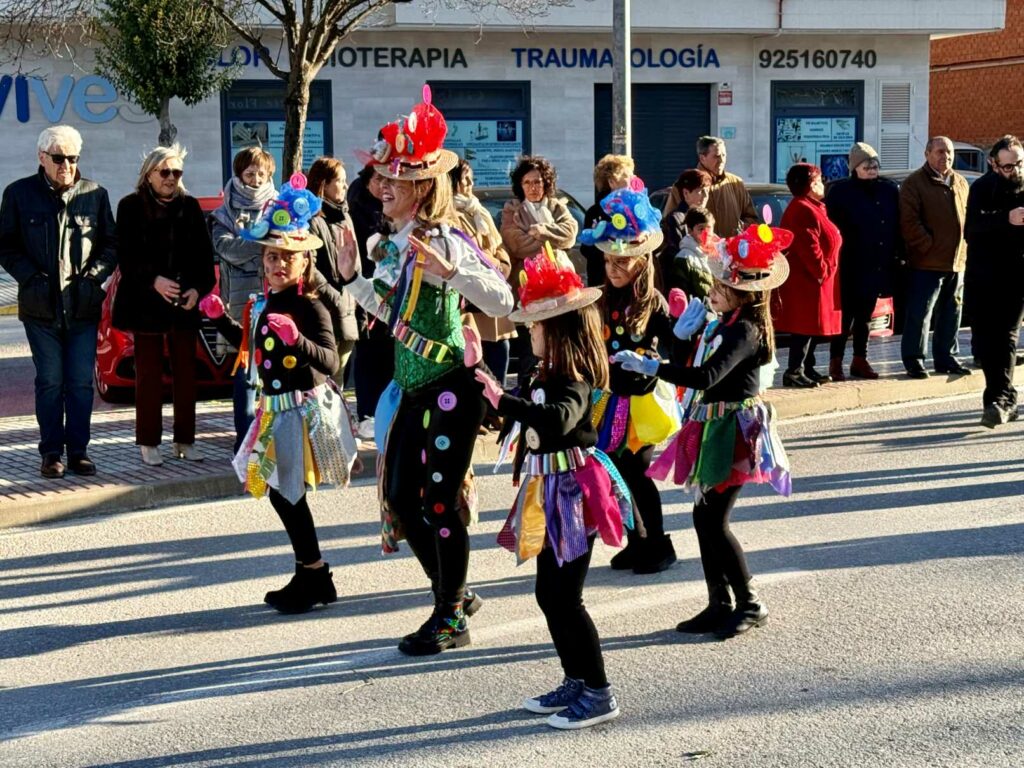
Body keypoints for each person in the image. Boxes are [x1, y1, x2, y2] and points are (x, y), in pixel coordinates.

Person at [336, 87, 514, 656]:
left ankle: (449, 616)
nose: (379, 188)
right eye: (381, 179)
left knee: (436, 502)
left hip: (450, 391)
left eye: (391, 181)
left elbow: (502, 300)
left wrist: (454, 272)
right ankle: (452, 594)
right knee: (400, 498)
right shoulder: (396, 242)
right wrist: (350, 279)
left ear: (419, 188)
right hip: (412, 389)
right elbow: (395, 315)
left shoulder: (445, 238)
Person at [474, 249, 633, 730]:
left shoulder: (574, 379)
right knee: (548, 593)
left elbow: (558, 419)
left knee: (567, 597)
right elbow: (529, 418)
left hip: (574, 495)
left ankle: (600, 692)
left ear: (559, 331)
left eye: (537, 326)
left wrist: (509, 402)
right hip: (548, 490)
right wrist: (493, 401)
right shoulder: (544, 373)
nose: (529, 332)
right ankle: (576, 679)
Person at [617, 221, 793, 639]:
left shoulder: (746, 329)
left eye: (720, 286)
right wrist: (680, 338)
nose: (711, 291)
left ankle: (749, 603)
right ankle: (720, 602)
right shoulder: (724, 322)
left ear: (742, 292)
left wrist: (654, 366)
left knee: (715, 521)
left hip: (734, 429)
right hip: (712, 424)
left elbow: (708, 375)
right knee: (702, 517)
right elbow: (693, 365)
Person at [199, 174, 359, 614]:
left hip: (300, 413)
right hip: (273, 411)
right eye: (271, 257)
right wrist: (220, 320)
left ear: (304, 264)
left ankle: (313, 573)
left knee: (285, 493)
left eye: (286, 258)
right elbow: (253, 348)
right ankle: (312, 573)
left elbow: (329, 361)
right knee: (282, 493)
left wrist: (297, 342)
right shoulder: (267, 303)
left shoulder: (310, 306)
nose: (277, 266)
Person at [0, 125, 117, 479]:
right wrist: (32, 278)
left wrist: (94, 277)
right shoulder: (19, 194)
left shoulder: (95, 194)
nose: (66, 164)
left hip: (82, 305)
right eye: (58, 157)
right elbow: (6, 245)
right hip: (40, 308)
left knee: (81, 381)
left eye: (72, 157)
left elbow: (111, 245)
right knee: (50, 380)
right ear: (42, 157)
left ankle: (79, 451)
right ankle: (51, 452)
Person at [578, 182, 680, 574]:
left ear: (641, 261)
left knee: (636, 472)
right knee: (615, 471)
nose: (614, 268)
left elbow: (666, 349)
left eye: (622, 262)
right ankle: (637, 539)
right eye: (608, 261)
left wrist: (654, 354)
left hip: (639, 401)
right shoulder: (602, 299)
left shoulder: (652, 302)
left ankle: (657, 542)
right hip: (608, 399)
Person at [113, 144, 215, 466]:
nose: (172, 178)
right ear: (149, 173)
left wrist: (198, 290)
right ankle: (148, 442)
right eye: (166, 172)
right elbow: (126, 257)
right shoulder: (130, 206)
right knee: (148, 375)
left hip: (183, 304)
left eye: (177, 172)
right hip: (146, 302)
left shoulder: (191, 207)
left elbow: (203, 256)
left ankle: (185, 439)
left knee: (186, 375)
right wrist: (154, 280)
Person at [211, 147, 279, 451]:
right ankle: (245, 438)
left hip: (278, 297)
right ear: (238, 175)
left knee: (278, 369)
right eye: (249, 173)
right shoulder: (224, 211)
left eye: (260, 173)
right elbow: (227, 250)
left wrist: (256, 242)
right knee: (247, 373)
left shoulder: (280, 206)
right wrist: (264, 244)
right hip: (242, 303)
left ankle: (273, 434)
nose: (255, 179)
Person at [824, 143, 901, 381]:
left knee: (866, 315)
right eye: (866, 165)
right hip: (849, 262)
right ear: (854, 167)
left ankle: (860, 359)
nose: (871, 169)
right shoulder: (840, 191)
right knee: (845, 316)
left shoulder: (889, 189)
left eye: (875, 164)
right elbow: (831, 227)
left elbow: (895, 223)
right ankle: (835, 361)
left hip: (877, 261)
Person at [448, 157, 514, 429]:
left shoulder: (479, 211)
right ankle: (479, 411)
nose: (470, 186)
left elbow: (497, 246)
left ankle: (495, 407)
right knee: (476, 356)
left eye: (472, 180)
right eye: (465, 181)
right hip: (472, 297)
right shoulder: (450, 213)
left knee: (501, 350)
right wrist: (490, 260)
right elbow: (468, 252)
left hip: (493, 286)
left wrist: (500, 262)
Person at [500, 155, 579, 382]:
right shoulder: (512, 209)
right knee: (530, 351)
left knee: (561, 345)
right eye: (528, 182)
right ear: (520, 185)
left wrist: (541, 230)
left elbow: (570, 234)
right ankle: (529, 397)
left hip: (562, 288)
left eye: (538, 182)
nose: (533, 187)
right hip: (530, 290)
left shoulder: (556, 206)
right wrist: (553, 240)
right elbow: (518, 245)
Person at [899, 136, 972, 379]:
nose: (946, 156)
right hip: (927, 262)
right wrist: (928, 246)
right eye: (940, 151)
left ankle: (946, 357)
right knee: (921, 312)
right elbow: (909, 223)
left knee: (952, 312)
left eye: (949, 152)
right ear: (927, 154)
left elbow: (968, 218)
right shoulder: (915, 183)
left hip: (956, 260)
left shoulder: (961, 182)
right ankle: (914, 359)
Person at [964, 135, 1024, 428]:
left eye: (1020, 164)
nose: (1015, 171)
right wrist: (1005, 218)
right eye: (1009, 166)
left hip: (1016, 277)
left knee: (1007, 339)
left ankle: (999, 401)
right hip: (983, 276)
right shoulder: (981, 188)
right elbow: (971, 228)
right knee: (986, 341)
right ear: (993, 164)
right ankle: (1003, 399)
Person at [774, 163, 842, 388]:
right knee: (804, 327)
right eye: (820, 181)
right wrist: (822, 271)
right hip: (808, 280)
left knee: (812, 327)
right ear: (811, 184)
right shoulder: (802, 208)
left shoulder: (812, 206)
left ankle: (807, 367)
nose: (823, 185)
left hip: (816, 278)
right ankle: (794, 370)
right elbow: (808, 246)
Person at [347, 163, 393, 440]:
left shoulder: (386, 205)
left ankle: (383, 411)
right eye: (379, 180)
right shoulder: (358, 206)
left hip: (387, 286)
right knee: (368, 354)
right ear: (367, 181)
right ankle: (366, 412)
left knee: (387, 353)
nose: (383, 186)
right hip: (365, 286)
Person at [306, 157, 360, 376]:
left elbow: (355, 263)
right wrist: (334, 299)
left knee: (339, 381)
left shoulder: (345, 216)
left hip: (348, 310)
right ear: (323, 184)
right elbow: (310, 267)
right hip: (325, 310)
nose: (346, 186)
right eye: (340, 181)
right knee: (323, 383)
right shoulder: (312, 220)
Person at [663, 137, 757, 237]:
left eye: (724, 155)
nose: (722, 160)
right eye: (716, 156)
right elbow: (668, 225)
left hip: (731, 251)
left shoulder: (736, 183)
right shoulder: (684, 185)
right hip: (697, 251)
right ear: (702, 158)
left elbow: (751, 218)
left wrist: (740, 233)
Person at [581, 154, 634, 287]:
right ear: (612, 182)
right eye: (628, 175)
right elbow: (586, 248)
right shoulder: (596, 213)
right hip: (606, 283)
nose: (634, 179)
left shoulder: (634, 208)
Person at [658, 168, 711, 287]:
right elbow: (675, 259)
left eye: (708, 191)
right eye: (701, 191)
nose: (705, 196)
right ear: (686, 193)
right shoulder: (675, 220)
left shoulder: (706, 218)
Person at [670, 207, 717, 300]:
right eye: (701, 229)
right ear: (690, 230)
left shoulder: (717, 254)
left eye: (709, 228)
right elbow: (682, 295)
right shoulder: (684, 258)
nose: (706, 233)